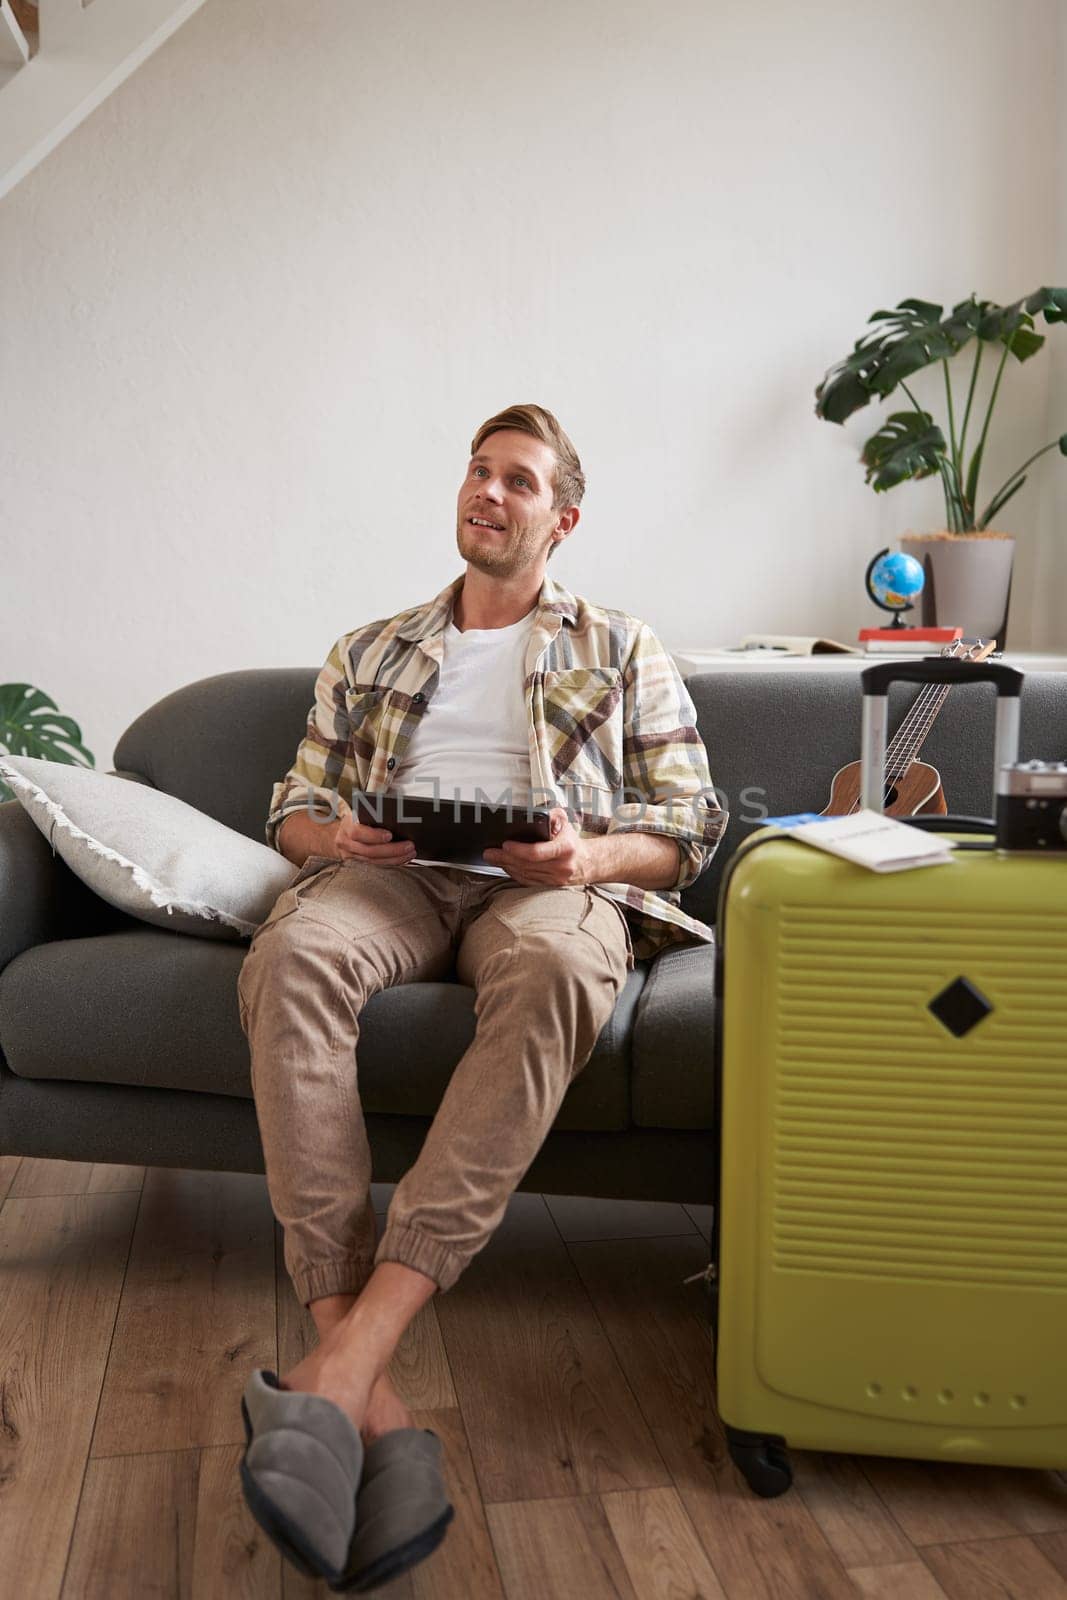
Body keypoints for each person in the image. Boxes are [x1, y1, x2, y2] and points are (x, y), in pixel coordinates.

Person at [236, 403, 726, 1589]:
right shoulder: (371, 646)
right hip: (395, 880)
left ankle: (349, 1358)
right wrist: (335, 831)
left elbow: (688, 828)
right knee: (292, 959)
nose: (487, 493)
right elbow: (287, 809)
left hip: (543, 889)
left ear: (560, 518)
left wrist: (584, 860)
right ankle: (360, 1377)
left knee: (562, 966)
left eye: (517, 480)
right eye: (476, 472)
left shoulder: (619, 645)